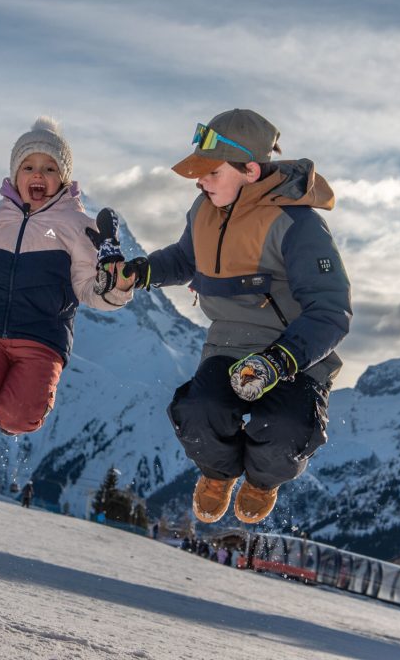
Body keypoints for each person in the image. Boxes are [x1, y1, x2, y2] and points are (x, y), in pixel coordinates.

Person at [123, 109, 350, 525]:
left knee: (283, 428)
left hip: (295, 355)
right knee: (199, 411)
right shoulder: (204, 209)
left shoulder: (297, 225)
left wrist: (279, 360)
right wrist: (142, 272)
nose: (200, 180)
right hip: (229, 343)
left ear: (249, 170)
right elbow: (186, 258)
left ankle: (262, 482)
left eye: (211, 172)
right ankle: (218, 474)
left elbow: (331, 311)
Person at [0, 117, 134, 455]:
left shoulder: (77, 227)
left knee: (19, 416)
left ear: (64, 178)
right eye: (28, 166)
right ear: (15, 175)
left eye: (49, 168)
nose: (38, 175)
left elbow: (88, 289)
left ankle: (11, 417)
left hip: (42, 340)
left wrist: (116, 288)